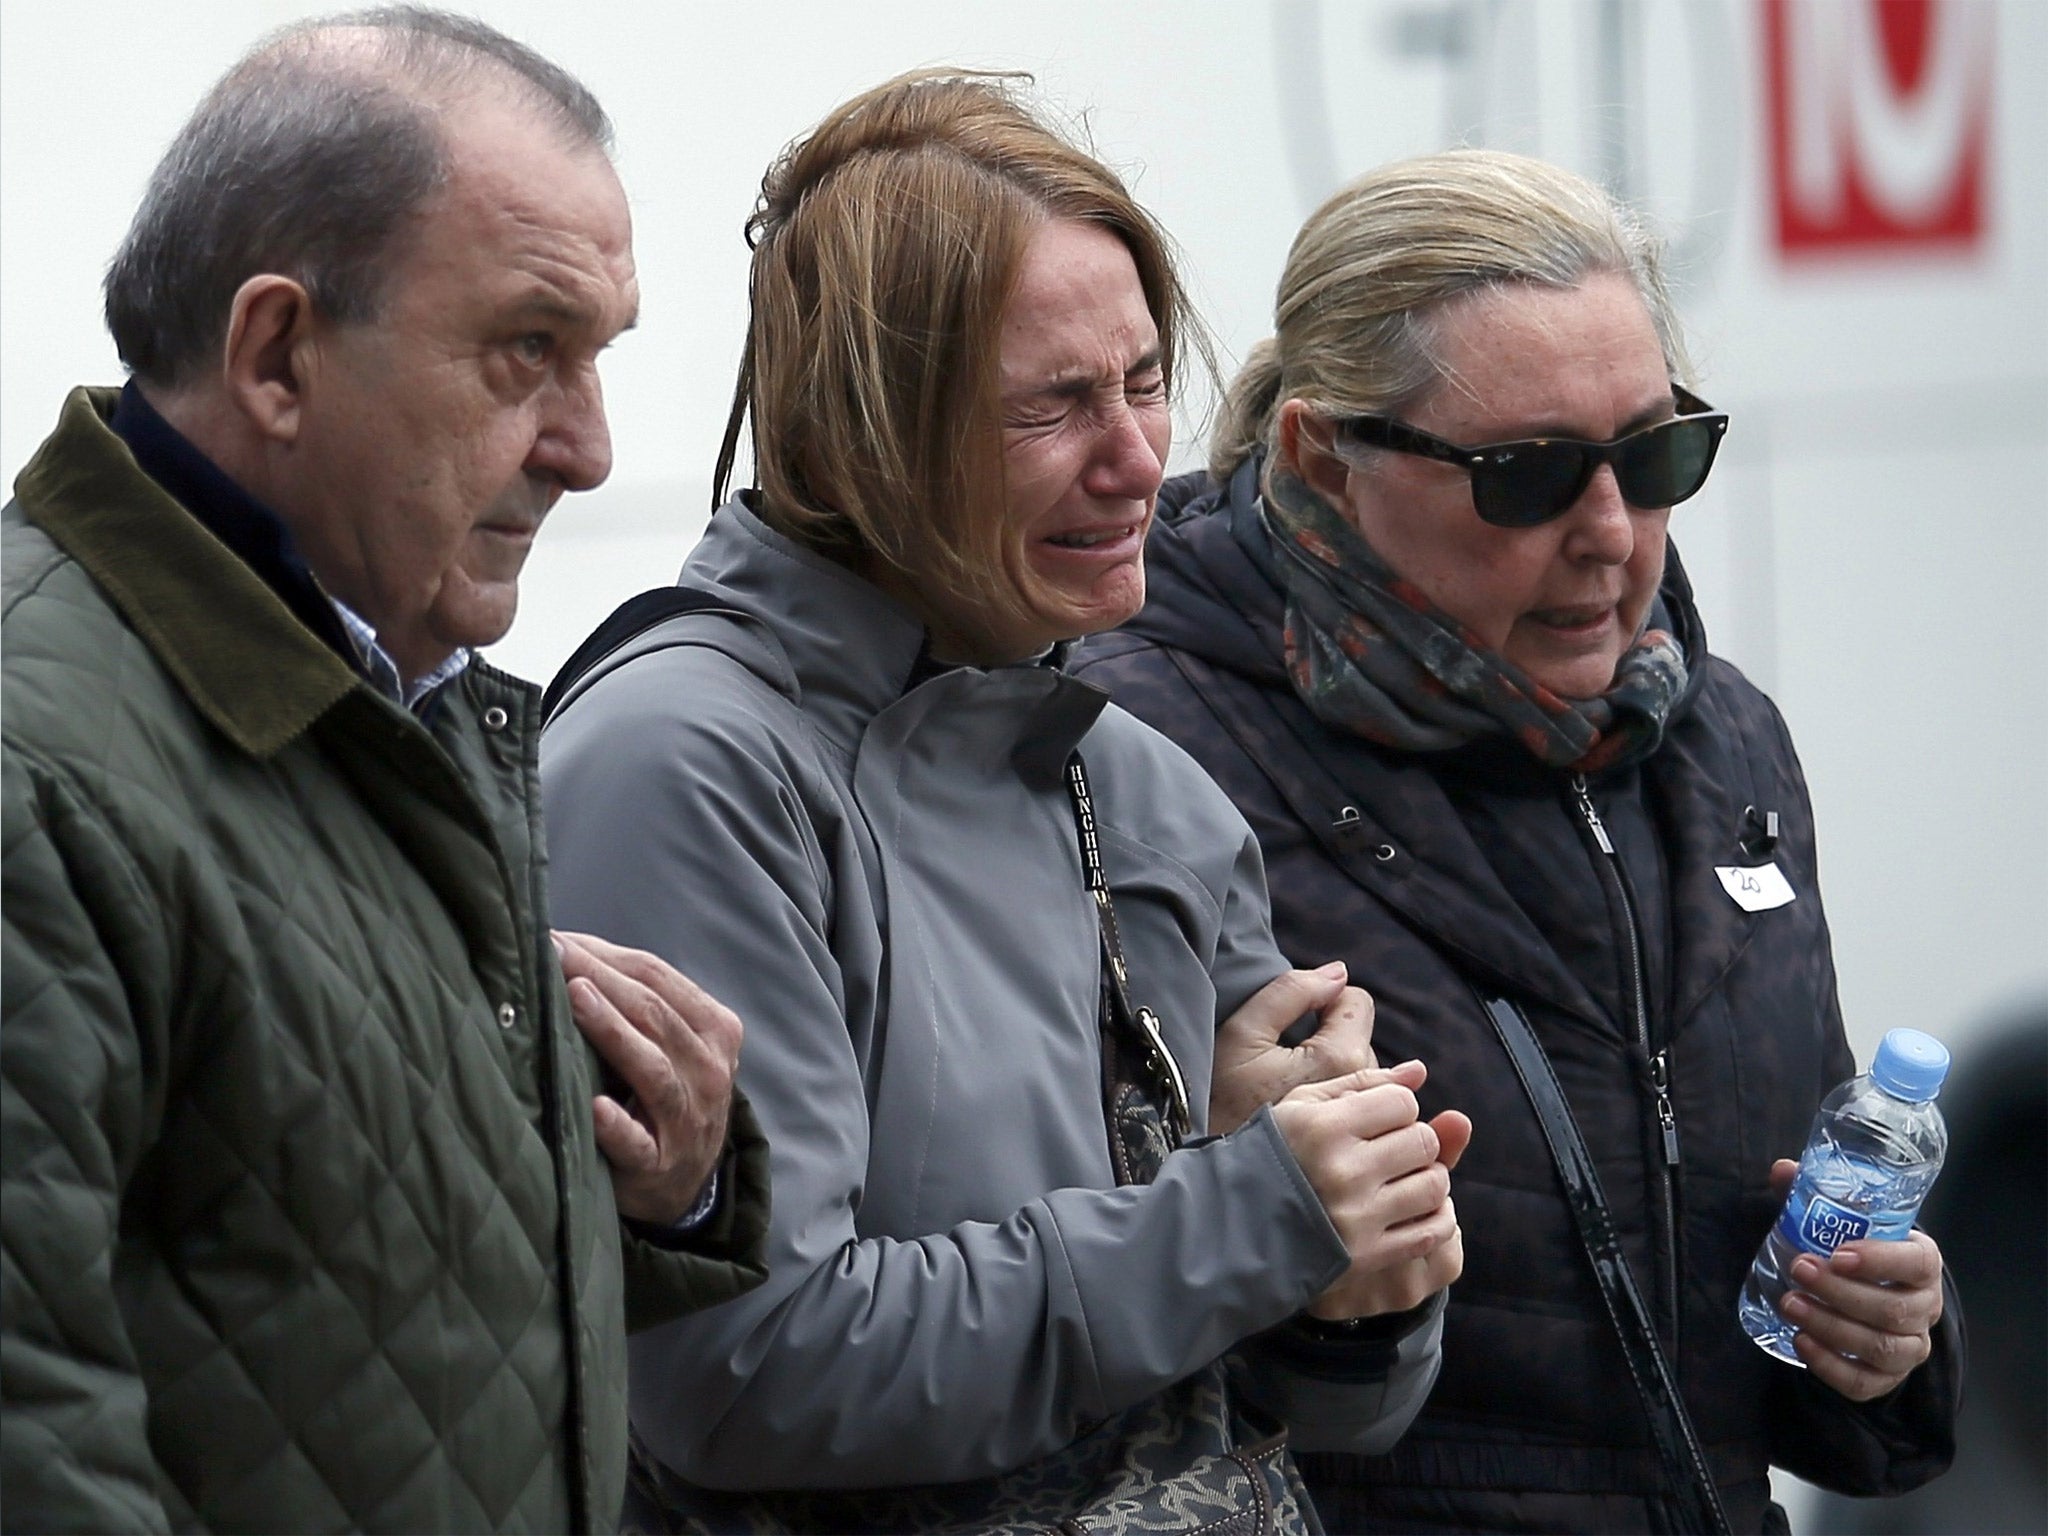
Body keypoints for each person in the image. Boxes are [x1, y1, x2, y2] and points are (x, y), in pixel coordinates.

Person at [540, 71, 1465, 1531]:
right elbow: (743, 1378)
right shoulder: (685, 765)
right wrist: (1247, 1215)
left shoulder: (1137, 780)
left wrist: (1363, 1267)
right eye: (1056, 404)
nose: (1138, 458)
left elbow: (1328, 1413)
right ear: (861, 441)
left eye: (1146, 380)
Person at [1075, 148, 1963, 1533]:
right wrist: (1311, 1280)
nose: (1612, 535)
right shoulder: (1132, 744)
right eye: (1529, 476)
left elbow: (1767, 1278)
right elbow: (1068, 1334)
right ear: (1323, 455)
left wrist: (1877, 1341)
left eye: (1657, 453)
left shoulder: (1720, 739)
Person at [1, 11, 767, 1532]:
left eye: (597, 357)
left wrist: (664, 1187)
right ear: (277, 354)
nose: (591, 446)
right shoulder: (41, 761)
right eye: (528, 350)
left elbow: (359, 1306)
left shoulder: (394, 694)